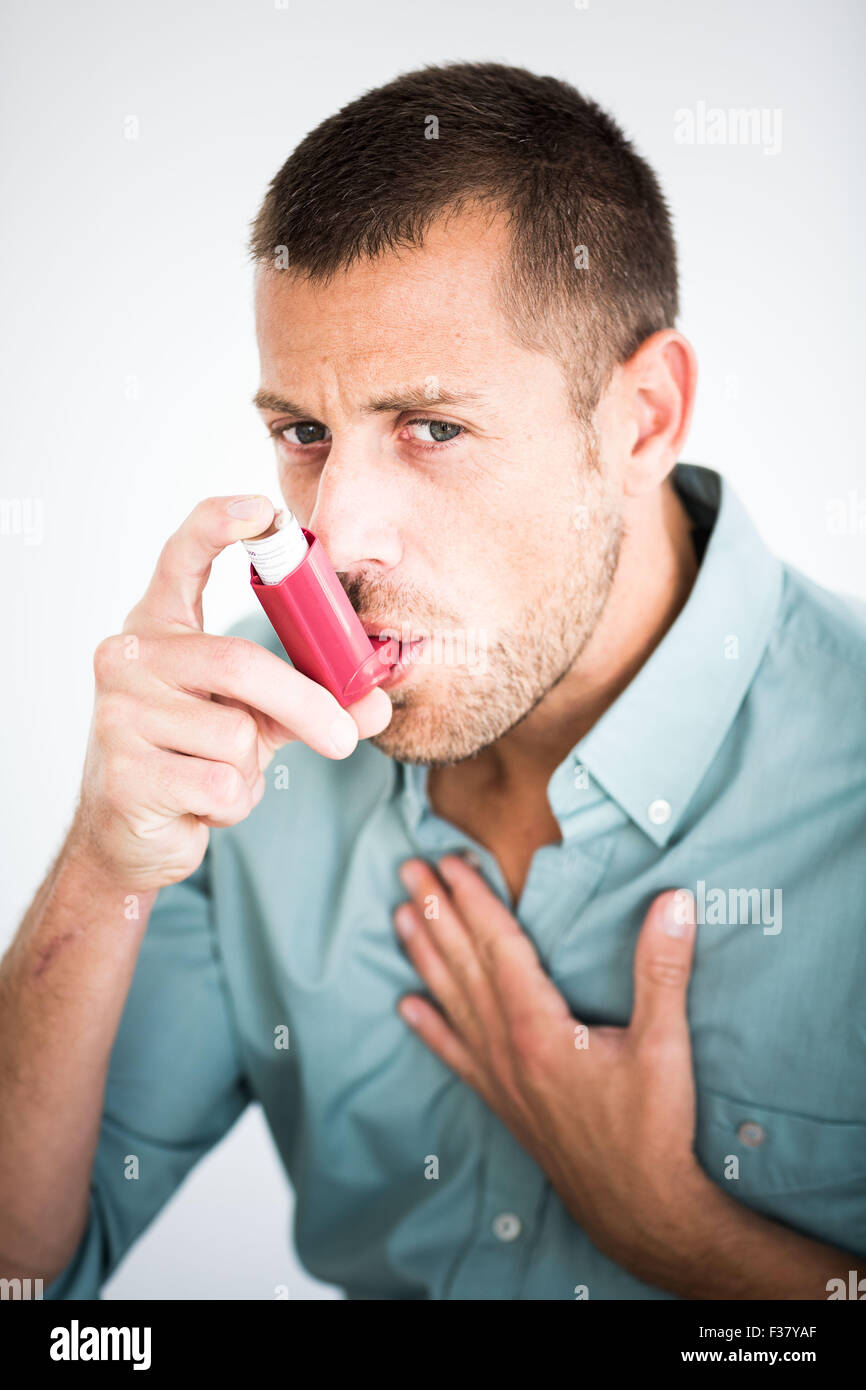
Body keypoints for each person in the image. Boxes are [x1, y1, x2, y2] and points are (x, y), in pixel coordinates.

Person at [2, 61, 864, 1302]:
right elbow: (28, 1288)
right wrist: (101, 859)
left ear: (641, 417)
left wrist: (684, 1239)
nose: (335, 536)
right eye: (304, 432)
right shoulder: (231, 744)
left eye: (432, 428)